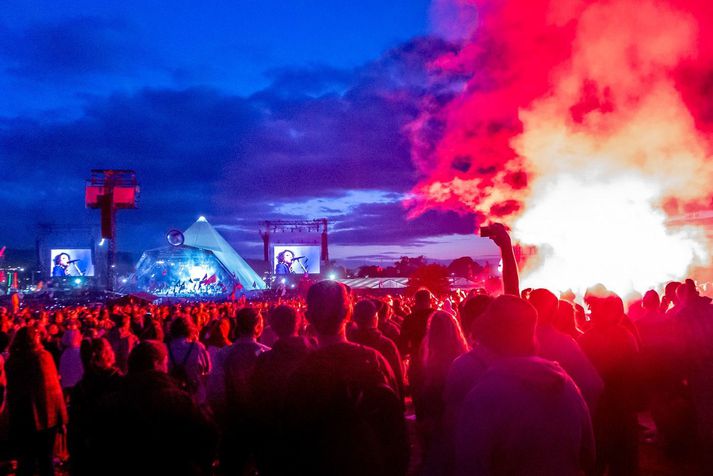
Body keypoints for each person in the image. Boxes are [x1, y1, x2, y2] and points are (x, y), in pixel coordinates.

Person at [456, 295, 594, 476]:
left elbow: (470, 465)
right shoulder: (566, 385)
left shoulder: (484, 397)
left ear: (489, 340)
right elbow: (589, 456)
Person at [282, 280, 409, 476]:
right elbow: (395, 426)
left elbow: (291, 443)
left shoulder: (299, 372)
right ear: (349, 314)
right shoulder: (374, 362)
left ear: (307, 317)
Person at [578, 292, 640, 476]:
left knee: (598, 457)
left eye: (595, 308)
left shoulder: (590, 339)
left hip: (603, 406)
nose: (591, 311)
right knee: (622, 460)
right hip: (621, 405)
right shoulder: (627, 335)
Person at [251, 305, 314, 476]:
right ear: (299, 323)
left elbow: (257, 402)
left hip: (276, 444)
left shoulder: (265, 361)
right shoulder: (316, 355)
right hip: (312, 443)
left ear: (273, 326)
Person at [208, 307, 270, 474]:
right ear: (258, 325)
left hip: (233, 423)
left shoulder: (224, 354)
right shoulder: (266, 353)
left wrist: (222, 418)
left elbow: (216, 392)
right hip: (261, 424)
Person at [528, 288, 603, 415]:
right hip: (559, 417)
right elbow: (593, 385)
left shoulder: (514, 341)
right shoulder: (565, 342)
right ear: (555, 312)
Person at [5, 326, 68, 476]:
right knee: (45, 459)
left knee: (26, 460)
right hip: (46, 418)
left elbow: (13, 393)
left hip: (22, 417)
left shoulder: (12, 361)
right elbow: (54, 391)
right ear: (35, 339)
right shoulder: (43, 357)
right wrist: (62, 418)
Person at [411, 310, 468, 474]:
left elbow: (420, 391)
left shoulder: (425, 359)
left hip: (436, 424)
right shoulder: (463, 359)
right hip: (457, 424)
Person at [68, 338, 123, 476]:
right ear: (109, 354)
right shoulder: (119, 382)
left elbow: (75, 430)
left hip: (88, 450)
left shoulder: (81, 388)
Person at [348, 299, 404, 399]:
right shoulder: (386, 345)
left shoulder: (348, 343)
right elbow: (397, 377)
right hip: (382, 403)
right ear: (375, 318)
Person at [166, 316, 211, 404]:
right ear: (189, 329)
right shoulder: (197, 347)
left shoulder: (166, 348)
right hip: (195, 395)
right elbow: (208, 369)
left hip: (173, 396)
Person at [398, 288, 436, 358]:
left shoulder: (409, 319)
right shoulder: (437, 317)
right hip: (434, 358)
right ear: (430, 301)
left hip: (416, 358)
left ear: (416, 301)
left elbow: (403, 342)